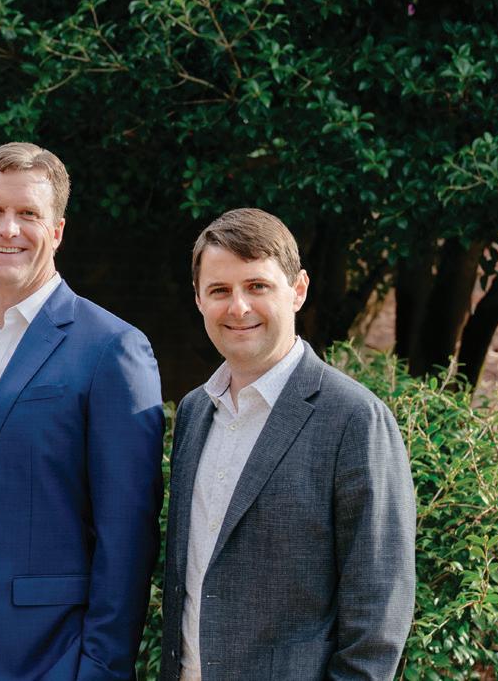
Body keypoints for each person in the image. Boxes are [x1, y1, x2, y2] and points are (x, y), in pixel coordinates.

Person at [0, 142, 165, 680]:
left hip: (43, 655)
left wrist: (100, 669)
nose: (8, 229)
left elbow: (127, 535)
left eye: (28, 214)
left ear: (57, 231)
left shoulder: (112, 350)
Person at [160, 208, 416, 680]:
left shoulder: (354, 419)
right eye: (219, 290)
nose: (238, 307)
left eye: (257, 286)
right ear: (198, 299)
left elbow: (378, 612)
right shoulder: (195, 412)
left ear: (298, 290)